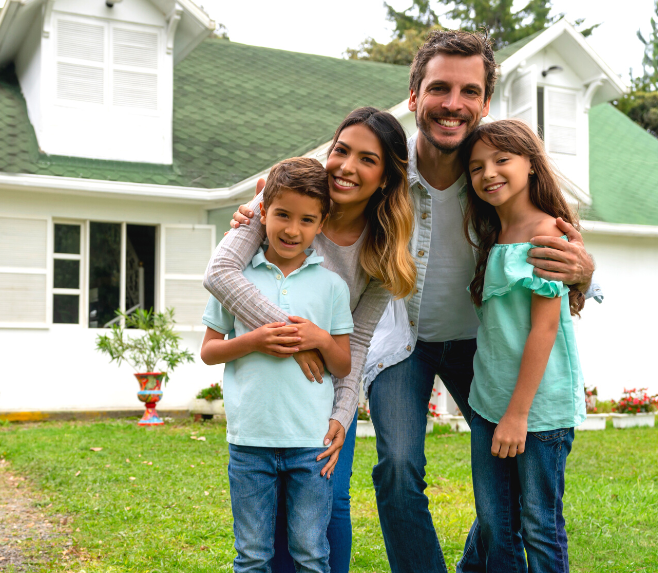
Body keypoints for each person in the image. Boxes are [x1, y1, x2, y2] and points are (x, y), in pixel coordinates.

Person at [230, 30, 598, 573]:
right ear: (413, 93)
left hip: (482, 347)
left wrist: (585, 272)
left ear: (485, 102)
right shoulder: (381, 170)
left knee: (509, 471)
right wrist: (256, 211)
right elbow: (301, 186)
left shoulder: (494, 176)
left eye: (469, 91)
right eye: (439, 88)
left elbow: (553, 241)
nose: (453, 104)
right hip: (398, 347)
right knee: (398, 465)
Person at [206, 108, 417, 573]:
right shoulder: (282, 202)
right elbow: (220, 274)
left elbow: (357, 342)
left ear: (386, 177)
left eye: (367, 159)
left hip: (323, 397)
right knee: (267, 525)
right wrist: (296, 338)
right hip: (267, 398)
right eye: (341, 150)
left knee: (332, 501)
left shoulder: (381, 248)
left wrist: (343, 414)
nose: (346, 166)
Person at [201, 156, 357, 573]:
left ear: (321, 224)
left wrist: (322, 339)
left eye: (307, 220)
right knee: (252, 555)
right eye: (282, 215)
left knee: (311, 553)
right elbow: (210, 350)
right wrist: (253, 340)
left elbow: (342, 365)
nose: (292, 229)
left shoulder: (332, 286)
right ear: (261, 213)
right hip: (250, 441)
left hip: (311, 444)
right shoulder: (237, 279)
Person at [458, 119, 586, 571]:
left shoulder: (547, 234)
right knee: (494, 524)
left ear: (531, 164)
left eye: (502, 160)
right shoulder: (492, 234)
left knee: (539, 527)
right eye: (476, 167)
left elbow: (544, 330)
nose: (488, 173)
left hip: (536, 412)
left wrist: (517, 415)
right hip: (488, 402)